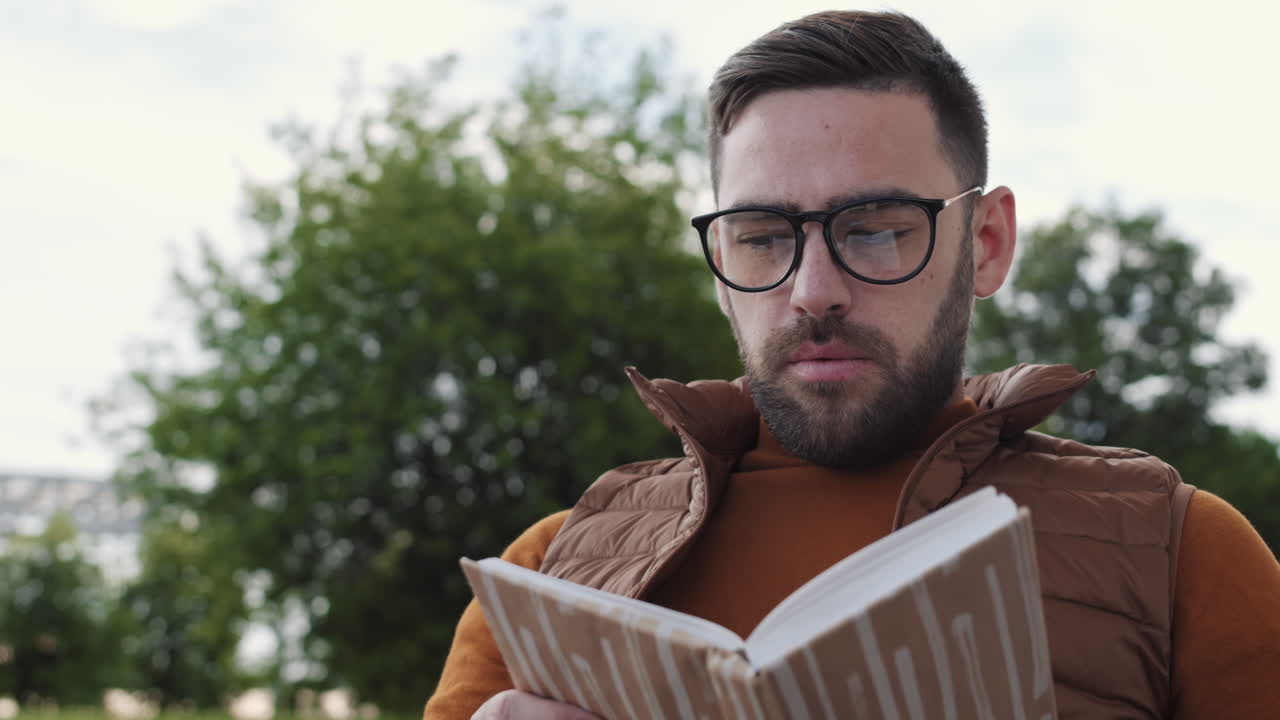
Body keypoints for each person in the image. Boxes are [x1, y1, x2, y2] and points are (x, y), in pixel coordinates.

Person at [425, 10, 1280, 720]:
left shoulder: (1181, 554)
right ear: (720, 263)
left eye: (874, 227)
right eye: (762, 237)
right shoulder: (549, 577)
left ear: (985, 245)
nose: (813, 291)